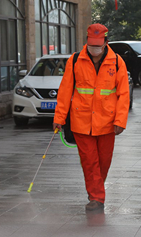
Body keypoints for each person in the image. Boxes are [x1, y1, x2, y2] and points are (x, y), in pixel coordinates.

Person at [52, 23, 130, 211]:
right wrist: (59, 118)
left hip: (107, 122)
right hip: (81, 121)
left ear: (106, 42)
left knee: (104, 162)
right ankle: (96, 197)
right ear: (86, 41)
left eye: (98, 44)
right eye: (91, 44)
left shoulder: (117, 62)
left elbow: (123, 94)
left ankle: (96, 189)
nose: (94, 48)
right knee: (89, 162)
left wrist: (120, 120)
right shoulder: (75, 60)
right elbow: (65, 91)